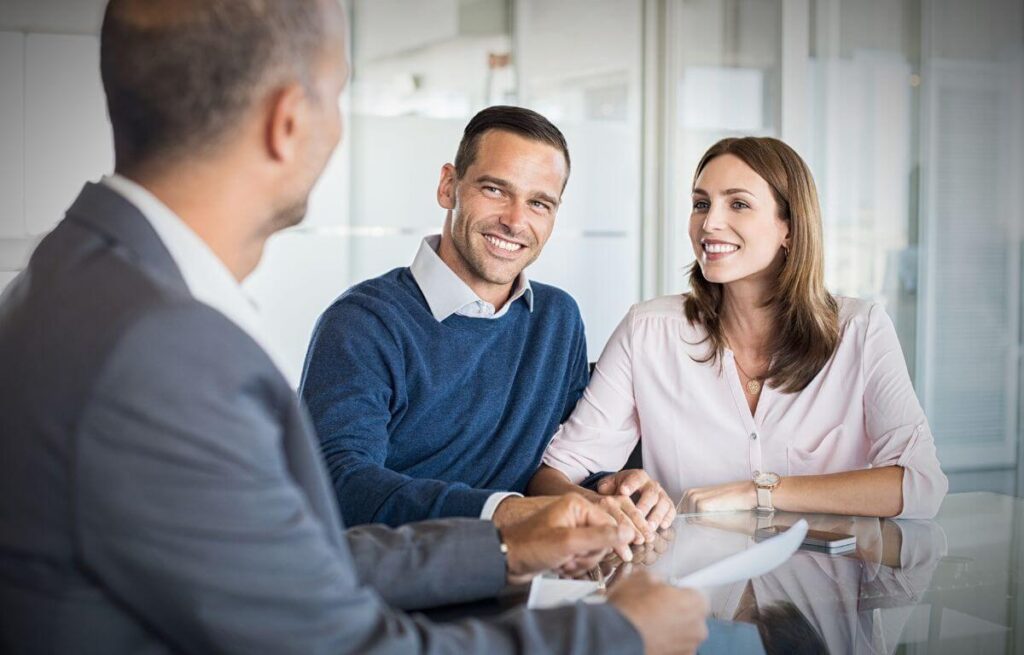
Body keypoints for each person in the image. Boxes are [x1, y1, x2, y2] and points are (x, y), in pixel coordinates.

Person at [0, 1, 713, 653]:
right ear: (288, 120)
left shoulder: (82, 282)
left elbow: (279, 563)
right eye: (337, 95)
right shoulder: (162, 347)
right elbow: (336, 641)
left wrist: (504, 549)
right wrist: (614, 633)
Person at [299, 105, 675, 539]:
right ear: (448, 186)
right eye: (495, 190)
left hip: (529, 578)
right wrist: (506, 513)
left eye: (538, 203)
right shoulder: (363, 323)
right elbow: (340, 484)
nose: (516, 221)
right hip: (399, 588)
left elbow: (556, 467)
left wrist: (610, 490)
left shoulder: (557, 320)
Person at [532, 136, 948, 520]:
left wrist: (758, 492)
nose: (709, 223)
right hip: (690, 591)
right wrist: (610, 513)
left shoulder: (860, 330)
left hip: (822, 592)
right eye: (700, 204)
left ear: (789, 227)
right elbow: (552, 476)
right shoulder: (648, 331)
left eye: (739, 204)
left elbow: (921, 486)